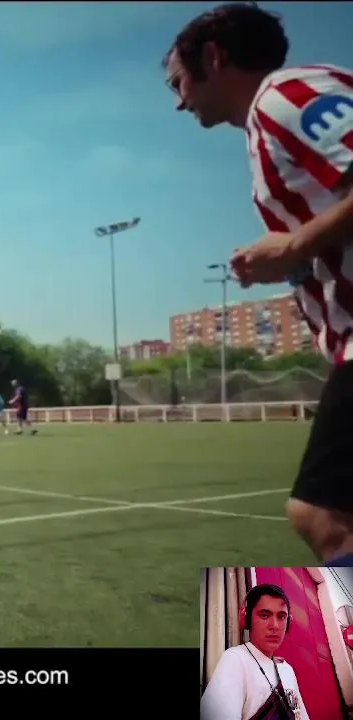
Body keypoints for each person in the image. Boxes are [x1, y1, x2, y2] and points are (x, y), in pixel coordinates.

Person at [163, 3, 353, 565]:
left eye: (178, 82)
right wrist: (290, 257)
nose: (178, 102)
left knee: (323, 517)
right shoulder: (275, 116)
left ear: (214, 59)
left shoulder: (284, 96)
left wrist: (295, 246)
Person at [201, 583, 309, 720]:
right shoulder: (236, 659)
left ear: (288, 622)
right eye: (264, 615)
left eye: (281, 617)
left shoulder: (287, 670)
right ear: (247, 619)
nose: (275, 626)